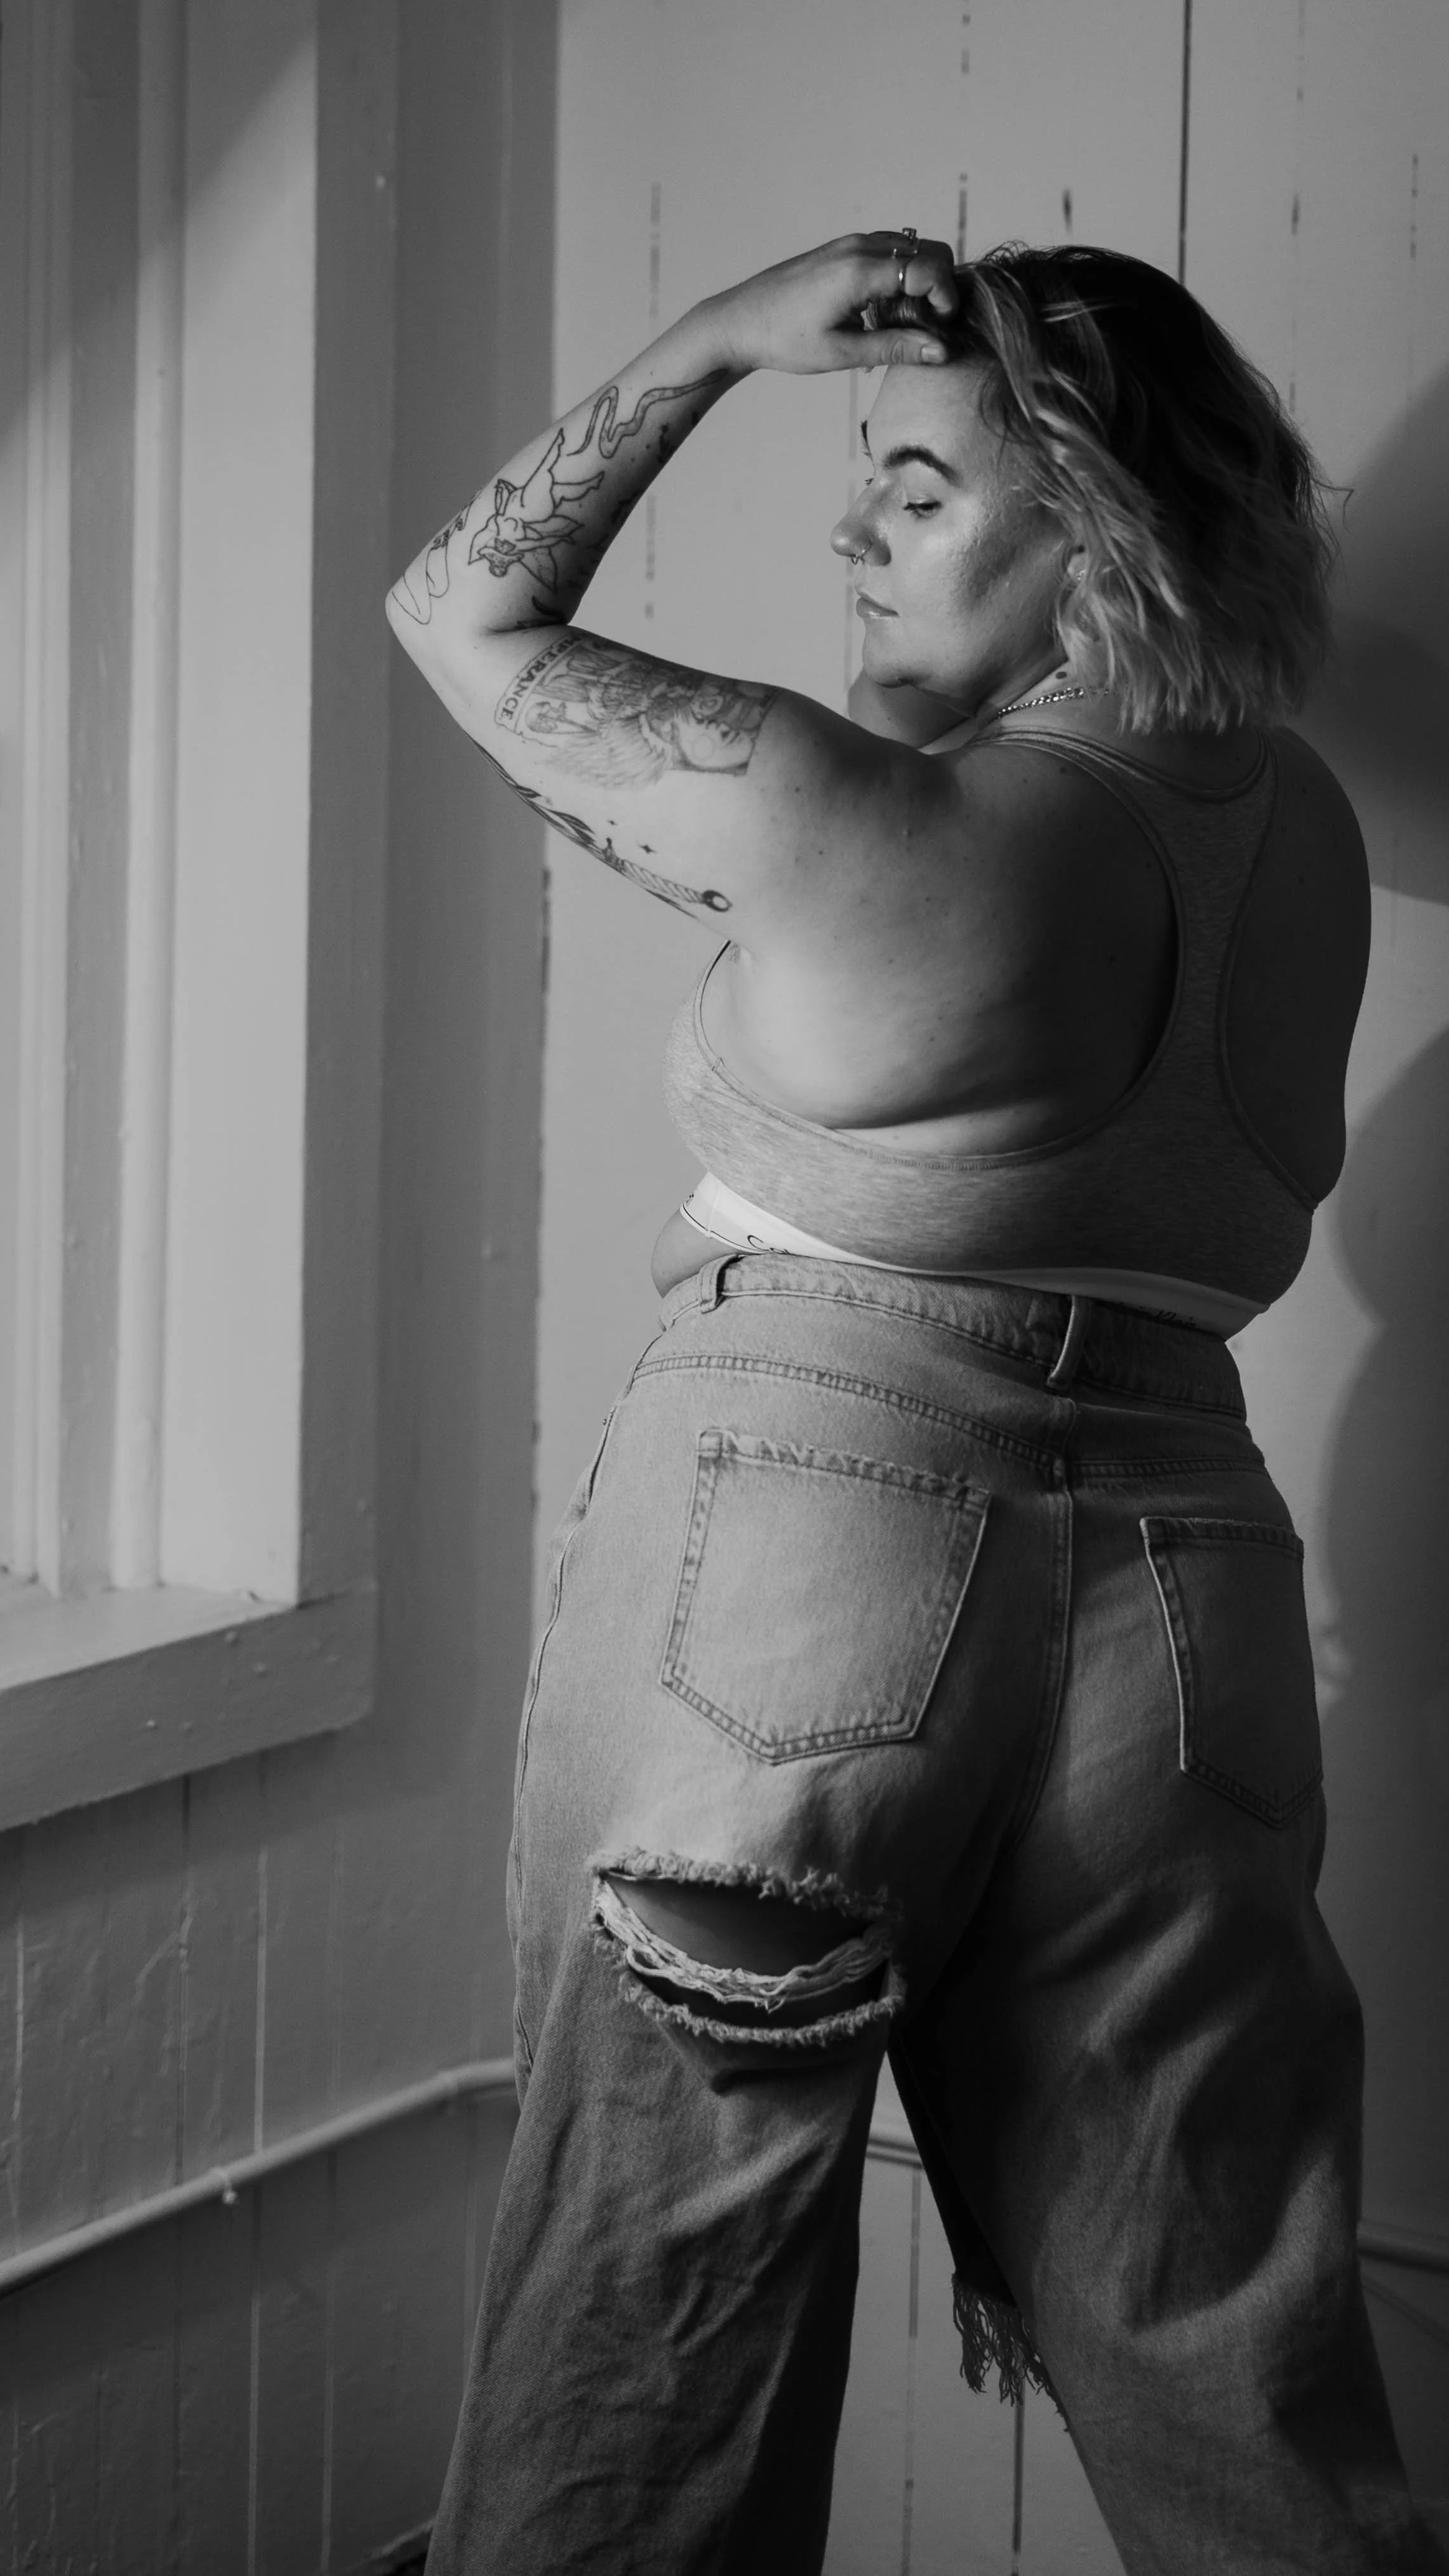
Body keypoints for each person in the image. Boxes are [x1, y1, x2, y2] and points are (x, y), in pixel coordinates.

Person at [389, 234, 1443, 2575]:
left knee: (651, 2350)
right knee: (1231, 2364)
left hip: (809, 1574)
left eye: (920, 487)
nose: (850, 530)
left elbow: (456, 613)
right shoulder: (1308, 847)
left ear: (1097, 521)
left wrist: (717, 342)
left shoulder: (848, 809)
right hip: (1187, 1598)